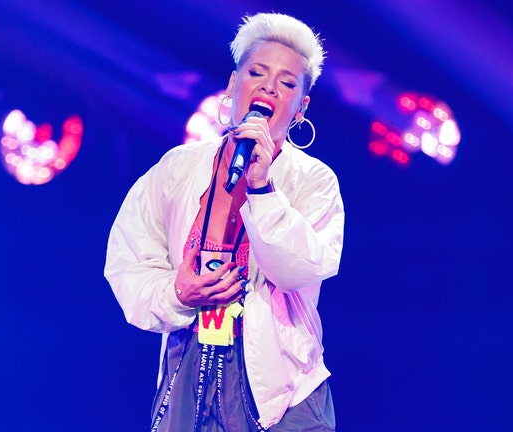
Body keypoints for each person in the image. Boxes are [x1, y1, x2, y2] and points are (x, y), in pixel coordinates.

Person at [104, 12, 344, 431]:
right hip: (188, 368)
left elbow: (296, 271)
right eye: (257, 73)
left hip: (284, 388)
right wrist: (178, 293)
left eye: (287, 83)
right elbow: (128, 264)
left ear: (300, 108)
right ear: (233, 85)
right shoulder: (177, 169)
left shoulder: (315, 181)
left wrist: (261, 187)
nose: (269, 87)